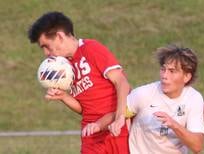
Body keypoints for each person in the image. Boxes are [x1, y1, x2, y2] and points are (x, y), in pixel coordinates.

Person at [28, 11, 130, 154]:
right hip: (91, 136)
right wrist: (63, 96)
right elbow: (83, 108)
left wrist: (120, 117)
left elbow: (122, 82)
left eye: (46, 46)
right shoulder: (65, 67)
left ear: (59, 36)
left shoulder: (91, 48)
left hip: (116, 129)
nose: (45, 53)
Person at [113, 44, 204, 153]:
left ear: (186, 77)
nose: (164, 76)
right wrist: (97, 125)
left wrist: (174, 125)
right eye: (163, 69)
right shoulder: (143, 94)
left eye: (172, 71)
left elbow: (197, 146)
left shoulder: (194, 99)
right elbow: (119, 114)